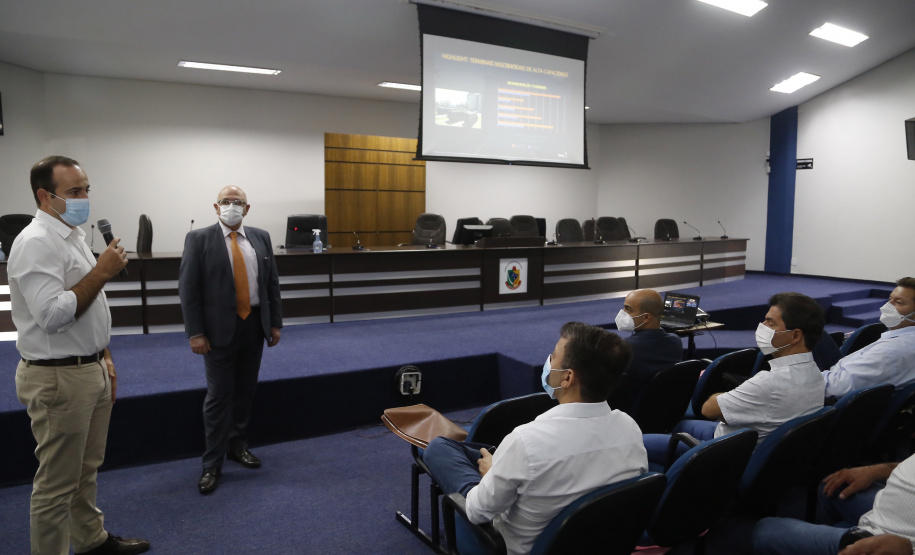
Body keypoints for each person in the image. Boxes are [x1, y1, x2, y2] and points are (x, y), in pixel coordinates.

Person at [9, 156, 149, 554]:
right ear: (44, 195)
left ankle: (90, 540)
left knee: (85, 470)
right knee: (56, 484)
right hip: (57, 378)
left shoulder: (71, 235)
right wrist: (102, 272)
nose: (85, 198)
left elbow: (89, 310)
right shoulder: (35, 242)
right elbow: (53, 316)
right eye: (74, 192)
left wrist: (104, 357)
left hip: (89, 368)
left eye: (86, 189)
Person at [422, 322, 648, 555]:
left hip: (509, 546)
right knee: (479, 452)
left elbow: (477, 512)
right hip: (594, 543)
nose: (549, 360)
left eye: (554, 356)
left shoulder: (526, 441)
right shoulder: (629, 428)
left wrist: (491, 475)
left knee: (439, 448)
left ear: (567, 378)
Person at [178, 186, 283, 494]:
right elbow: (189, 290)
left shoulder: (261, 237)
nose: (232, 206)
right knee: (219, 395)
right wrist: (195, 332)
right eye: (227, 201)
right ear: (216, 206)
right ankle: (212, 463)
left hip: (254, 326)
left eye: (238, 202)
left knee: (245, 391)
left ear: (247, 209)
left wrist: (274, 324)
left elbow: (271, 284)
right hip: (217, 331)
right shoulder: (198, 239)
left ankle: (238, 446)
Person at [644, 292, 826, 463]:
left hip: (724, 455)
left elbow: (708, 409)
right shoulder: (816, 374)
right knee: (683, 424)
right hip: (756, 446)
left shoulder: (768, 383)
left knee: (637, 442)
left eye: (770, 323)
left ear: (795, 335)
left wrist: (731, 394)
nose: (762, 326)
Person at [752, 455, 915, 555]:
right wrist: (877, 470)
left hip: (893, 539)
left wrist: (909, 550)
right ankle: (844, 535)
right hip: (890, 507)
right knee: (830, 486)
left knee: (766, 530)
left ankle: (852, 539)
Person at [822, 277, 915, 398]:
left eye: (898, 302)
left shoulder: (888, 353)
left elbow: (833, 388)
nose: (887, 306)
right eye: (890, 299)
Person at [612, 288, 684, 410]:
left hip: (631, 413)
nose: (623, 313)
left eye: (628, 309)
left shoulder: (624, 348)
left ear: (646, 318)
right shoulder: (675, 341)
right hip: (665, 410)